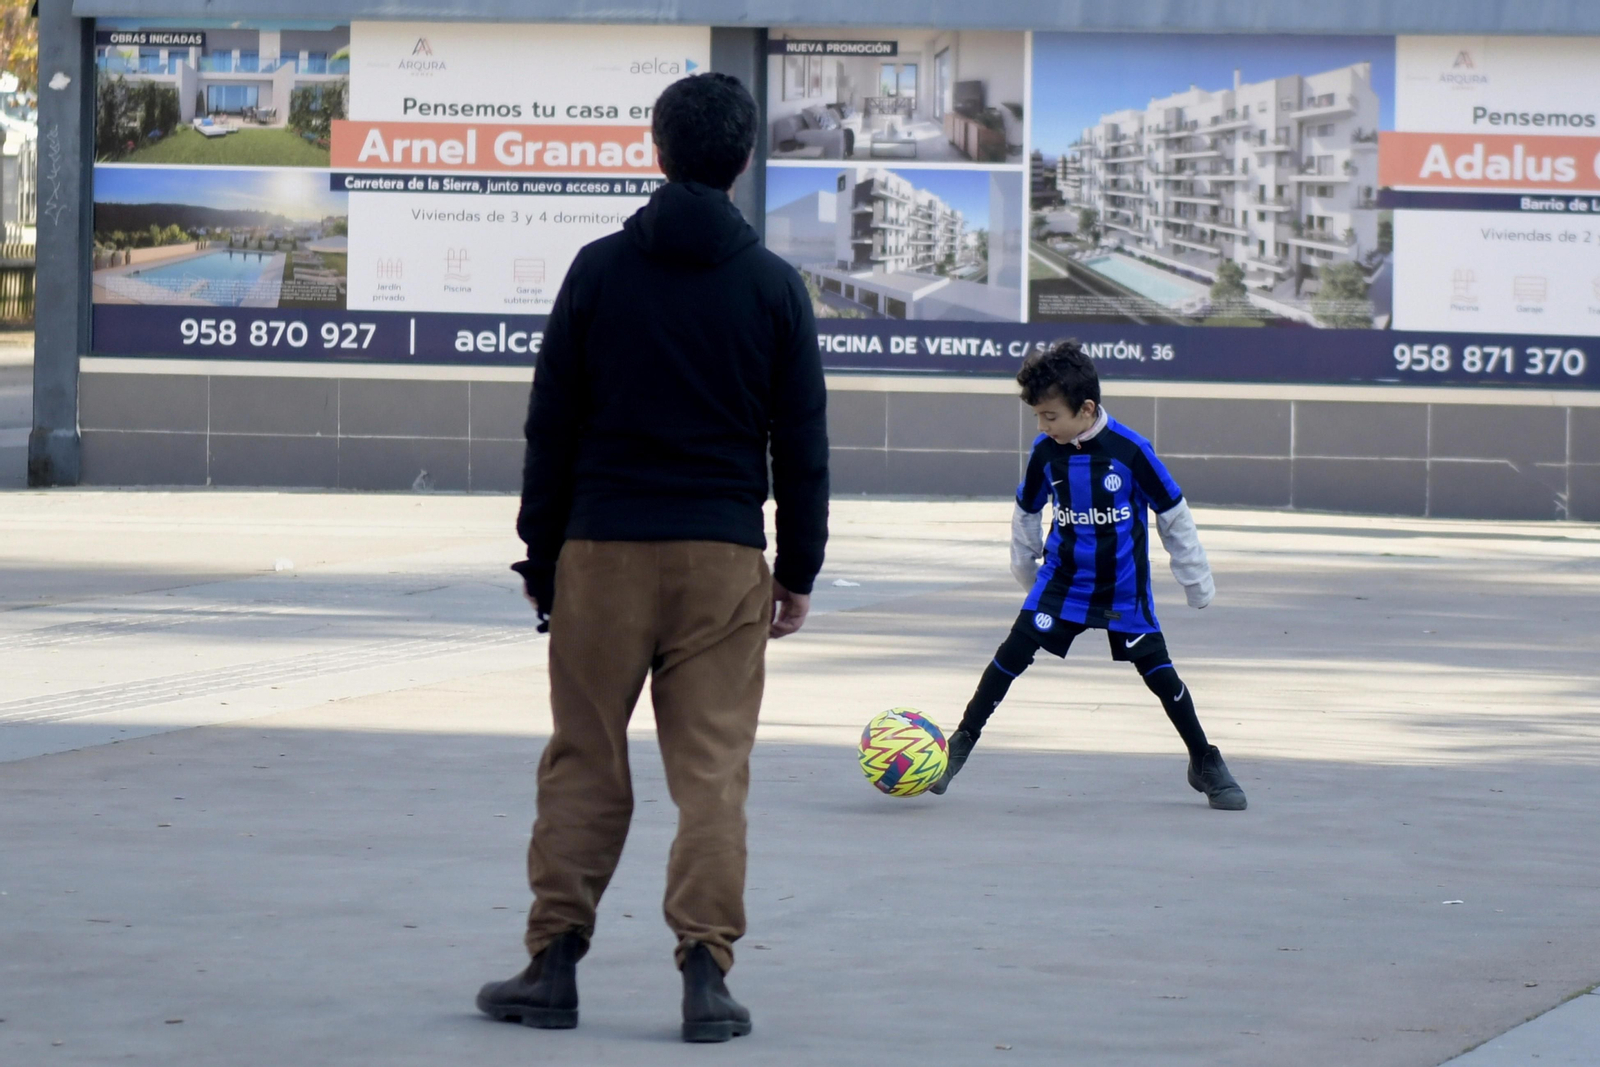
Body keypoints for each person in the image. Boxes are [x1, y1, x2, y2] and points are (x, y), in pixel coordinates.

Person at [476, 72, 829, 1043]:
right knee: (711, 773)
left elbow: (550, 426)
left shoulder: (597, 270)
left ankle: (552, 966)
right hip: (721, 557)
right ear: (742, 159)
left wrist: (541, 557)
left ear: (654, 149)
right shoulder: (772, 286)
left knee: (585, 759)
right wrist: (796, 570)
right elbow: (800, 441)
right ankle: (706, 976)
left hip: (602, 549)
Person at [930, 340, 1246, 811]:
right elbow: (1026, 512)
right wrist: (1025, 571)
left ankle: (1204, 761)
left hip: (1122, 588)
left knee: (1160, 674)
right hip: (1061, 583)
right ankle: (960, 744)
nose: (1041, 426)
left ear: (1087, 408)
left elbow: (1173, 513)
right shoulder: (1046, 452)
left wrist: (1195, 580)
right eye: (1037, 416)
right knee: (1010, 656)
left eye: (1050, 416)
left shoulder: (1131, 451)